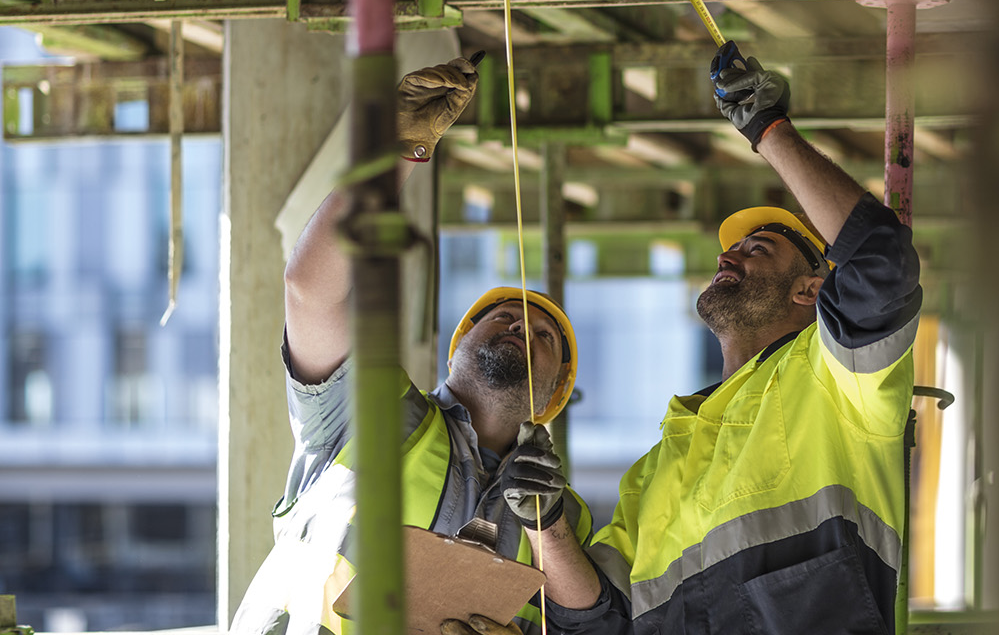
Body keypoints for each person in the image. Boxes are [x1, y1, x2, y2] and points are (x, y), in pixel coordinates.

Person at [492, 44, 923, 635]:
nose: (726, 255)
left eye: (757, 248)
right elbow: (598, 618)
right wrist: (546, 525)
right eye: (733, 249)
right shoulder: (656, 467)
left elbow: (881, 260)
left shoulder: (836, 376)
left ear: (810, 289)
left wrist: (768, 128)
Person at [231, 57, 590, 635]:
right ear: (457, 349)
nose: (520, 327)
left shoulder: (563, 521)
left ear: (553, 397)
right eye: (501, 317)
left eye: (543, 336)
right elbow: (309, 291)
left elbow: (587, 621)